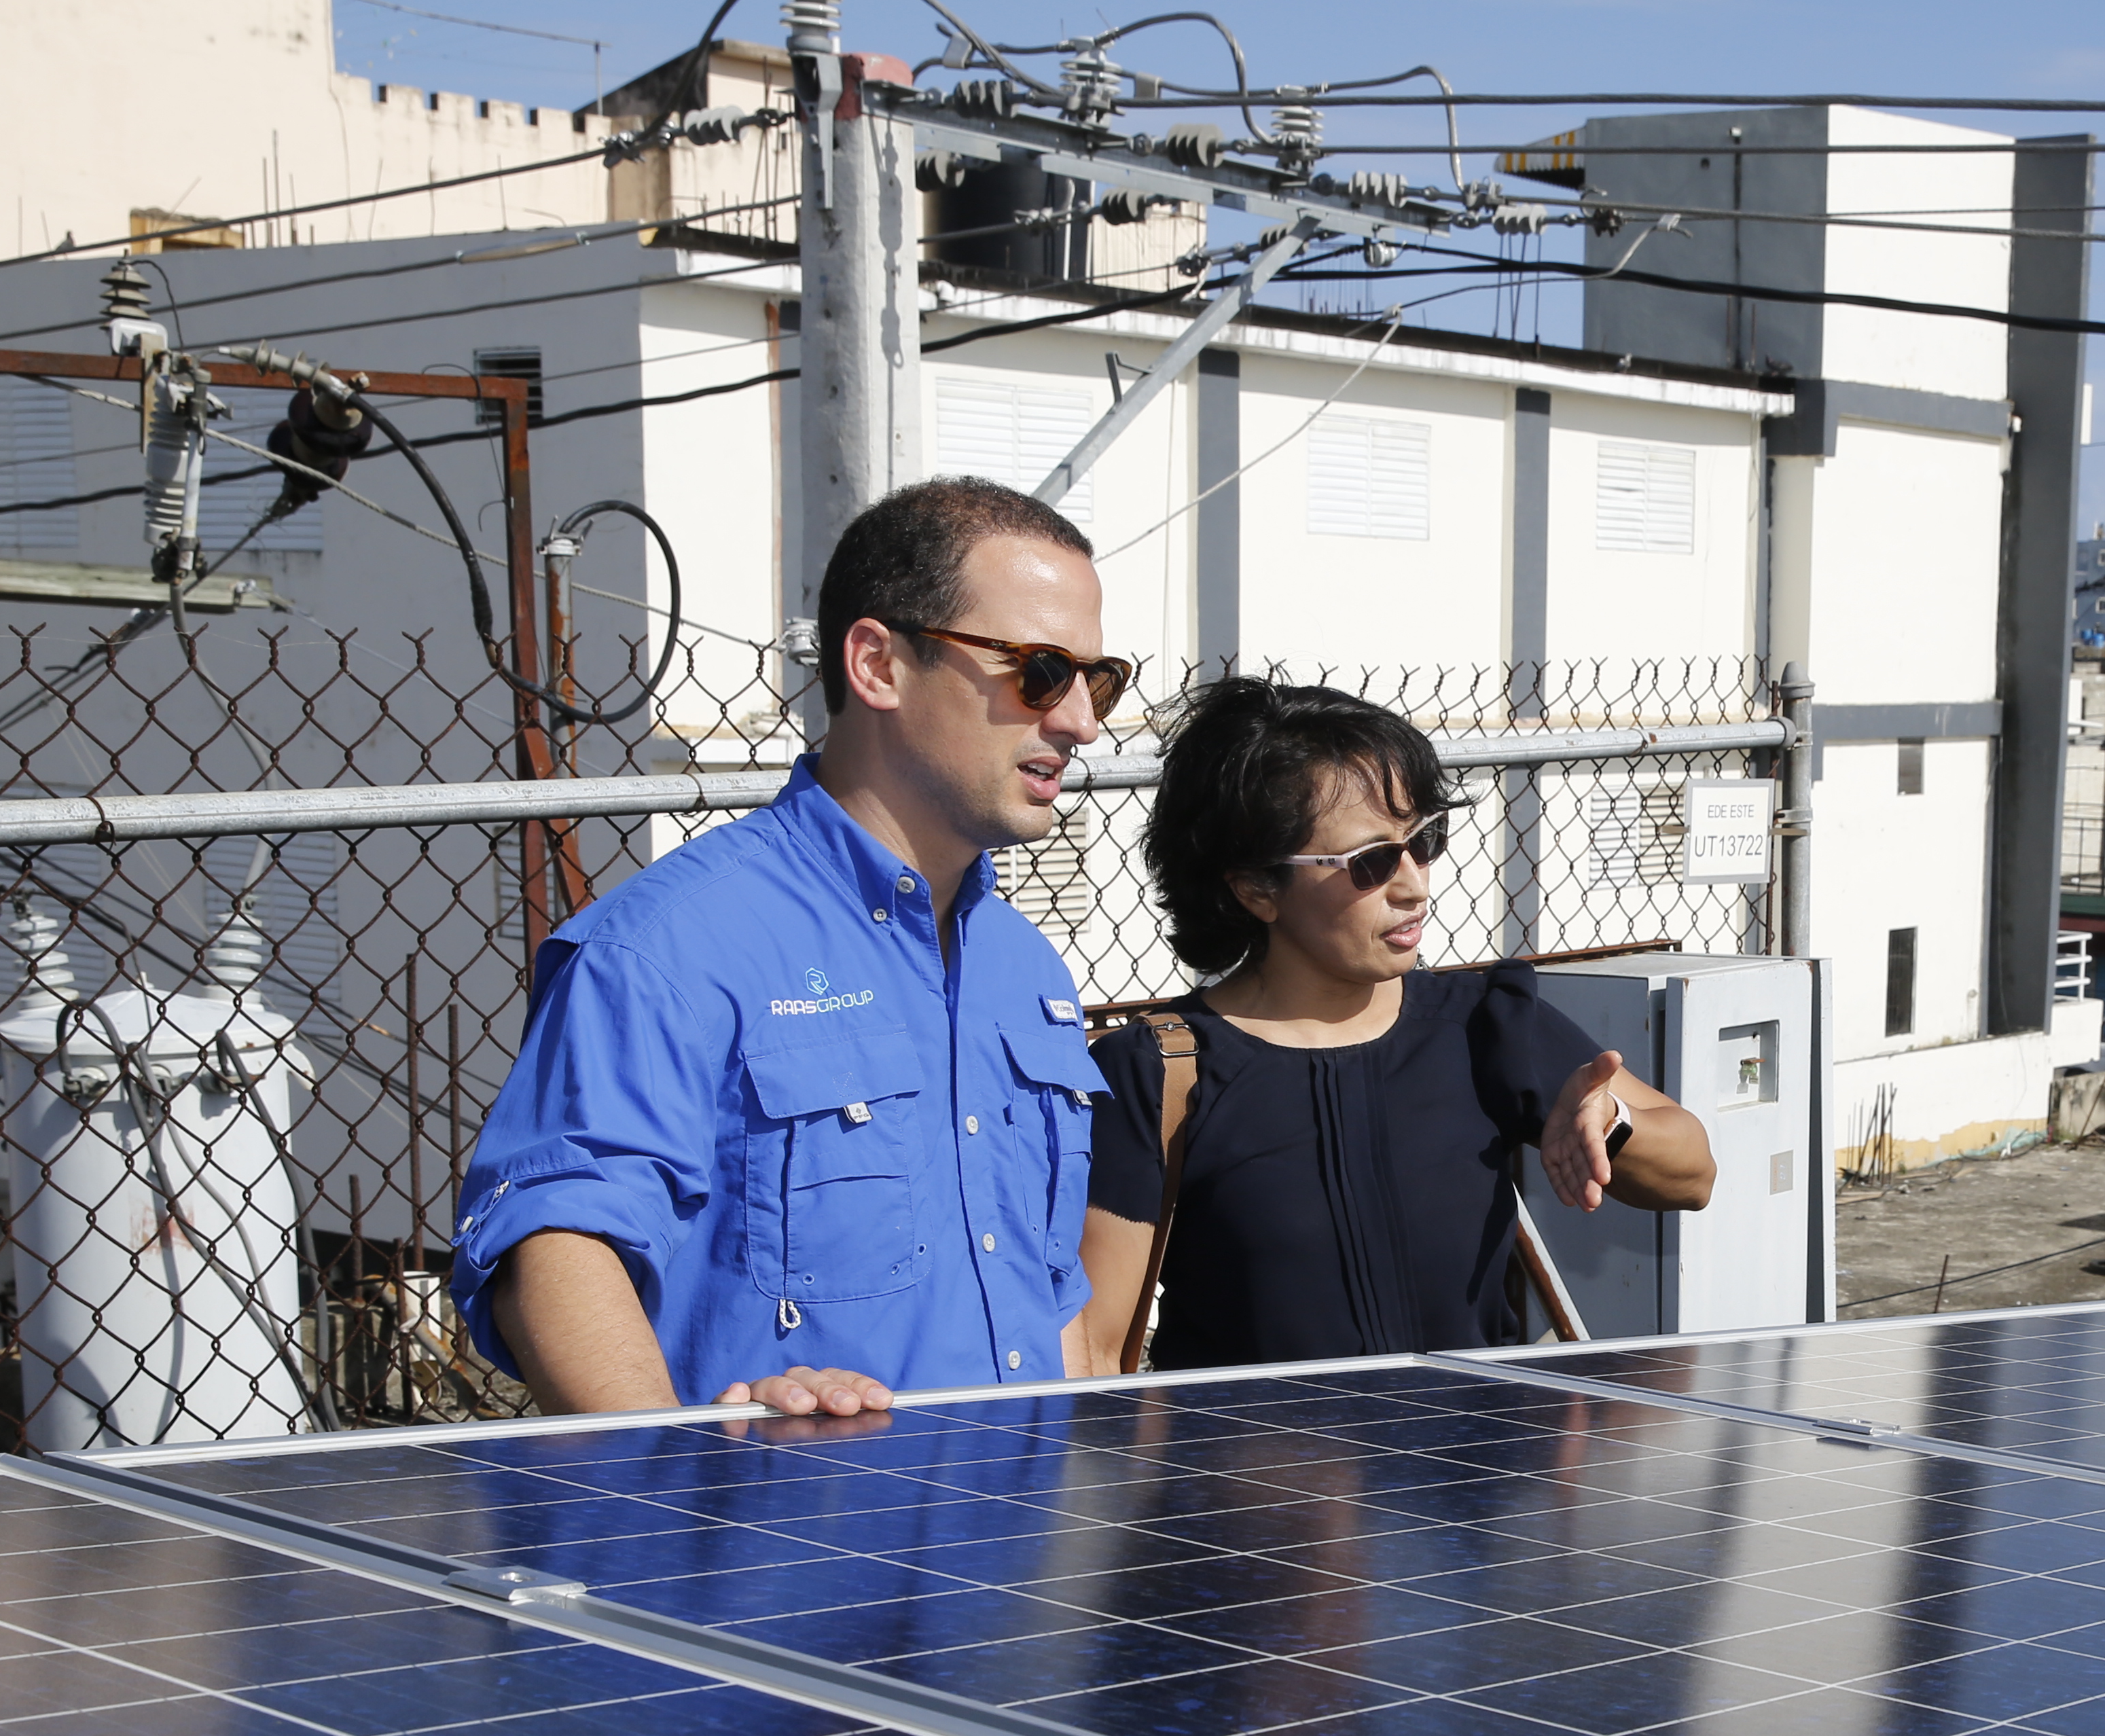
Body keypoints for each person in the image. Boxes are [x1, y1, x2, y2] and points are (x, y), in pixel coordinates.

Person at [450, 476, 1134, 1417]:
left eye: (1100, 681)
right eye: (1043, 672)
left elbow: (1044, 1288)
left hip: (1009, 1544)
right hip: (773, 1550)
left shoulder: (1028, 973)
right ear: (878, 666)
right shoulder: (667, 950)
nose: (1080, 722)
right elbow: (557, 1243)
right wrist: (662, 1467)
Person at [1073, 679, 1714, 1371]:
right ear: (1255, 888)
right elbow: (1097, 1349)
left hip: (1476, 1466)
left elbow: (1694, 1172)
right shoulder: (1160, 1071)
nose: (1413, 884)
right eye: (1371, 862)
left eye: (1424, 841)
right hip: (1255, 1474)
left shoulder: (1481, 1025)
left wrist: (1610, 1119)